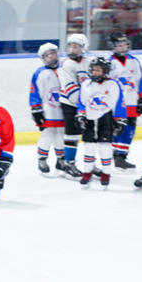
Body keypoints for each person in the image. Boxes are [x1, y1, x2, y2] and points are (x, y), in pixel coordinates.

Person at [75, 56, 127, 187]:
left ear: (105, 71)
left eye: (98, 70)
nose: (95, 73)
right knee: (89, 147)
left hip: (106, 119)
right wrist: (80, 115)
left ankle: (106, 174)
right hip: (90, 120)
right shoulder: (86, 84)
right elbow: (82, 102)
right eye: (93, 70)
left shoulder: (113, 84)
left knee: (105, 148)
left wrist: (120, 121)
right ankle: (87, 172)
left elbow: (119, 104)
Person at [108, 32, 142, 170]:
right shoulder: (109, 63)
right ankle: (114, 155)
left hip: (132, 101)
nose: (123, 48)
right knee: (117, 129)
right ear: (113, 46)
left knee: (130, 129)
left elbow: (140, 80)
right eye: (119, 45)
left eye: (124, 44)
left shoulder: (134, 61)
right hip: (116, 104)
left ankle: (121, 156)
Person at [58, 33, 90, 179]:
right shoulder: (66, 64)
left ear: (83, 48)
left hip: (86, 105)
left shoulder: (88, 62)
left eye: (75, 46)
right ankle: (68, 163)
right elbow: (70, 89)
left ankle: (90, 163)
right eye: (70, 45)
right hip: (70, 104)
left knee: (90, 134)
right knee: (72, 134)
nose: (72, 49)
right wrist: (84, 104)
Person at [30, 43, 66, 177]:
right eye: (47, 55)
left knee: (62, 135)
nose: (50, 57)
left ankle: (61, 159)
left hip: (63, 111)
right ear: (43, 58)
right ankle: (42, 159)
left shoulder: (65, 69)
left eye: (52, 53)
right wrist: (36, 110)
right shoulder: (40, 73)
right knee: (47, 134)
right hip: (48, 111)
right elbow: (34, 93)